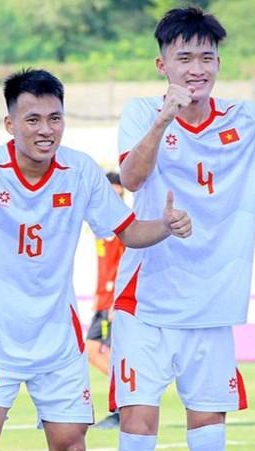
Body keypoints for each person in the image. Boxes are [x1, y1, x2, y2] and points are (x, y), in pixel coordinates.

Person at [0, 68, 192, 451]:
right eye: (33, 120)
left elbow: (129, 232)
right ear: (10, 124)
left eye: (55, 118)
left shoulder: (79, 170)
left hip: (58, 342)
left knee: (70, 443)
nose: (46, 130)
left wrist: (166, 226)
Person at [112, 6, 253, 451]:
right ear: (163, 64)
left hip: (213, 302)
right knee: (137, 419)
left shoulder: (244, 119)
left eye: (206, 58)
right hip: (147, 300)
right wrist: (163, 120)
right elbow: (132, 179)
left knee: (208, 425)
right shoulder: (142, 112)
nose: (197, 69)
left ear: (219, 64)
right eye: (185, 58)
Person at [87, 171, 125, 429]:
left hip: (113, 300)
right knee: (91, 350)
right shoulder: (101, 225)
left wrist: (116, 300)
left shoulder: (123, 225)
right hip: (102, 299)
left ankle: (124, 404)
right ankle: (125, 398)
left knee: (108, 351)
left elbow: (126, 263)